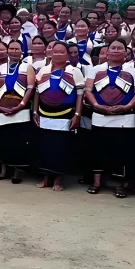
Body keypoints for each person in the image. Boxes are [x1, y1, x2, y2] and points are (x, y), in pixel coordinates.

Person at [85, 38, 135, 198]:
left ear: (126, 53)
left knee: (122, 153)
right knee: (99, 151)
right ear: (107, 52)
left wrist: (126, 107)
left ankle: (121, 184)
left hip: (125, 119)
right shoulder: (95, 70)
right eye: (113, 48)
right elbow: (88, 90)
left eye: (120, 48)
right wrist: (97, 105)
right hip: (100, 117)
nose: (116, 50)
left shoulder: (133, 72)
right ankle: (97, 182)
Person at [34, 40, 84, 191]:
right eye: (55, 52)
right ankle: (45, 178)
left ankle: (57, 179)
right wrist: (35, 111)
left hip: (65, 114)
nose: (58, 55)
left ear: (68, 54)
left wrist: (77, 114)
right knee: (45, 147)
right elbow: (37, 92)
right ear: (50, 53)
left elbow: (80, 94)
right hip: (44, 114)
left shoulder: (74, 71)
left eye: (62, 52)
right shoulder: (43, 71)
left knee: (60, 148)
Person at [0, 39, 35, 183]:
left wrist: (22, 104)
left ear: (22, 51)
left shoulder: (27, 67)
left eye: (17, 49)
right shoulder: (1, 67)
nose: (14, 51)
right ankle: (3, 171)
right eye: (11, 48)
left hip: (20, 109)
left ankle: (17, 173)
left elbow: (30, 87)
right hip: (2, 108)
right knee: (2, 140)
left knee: (18, 142)